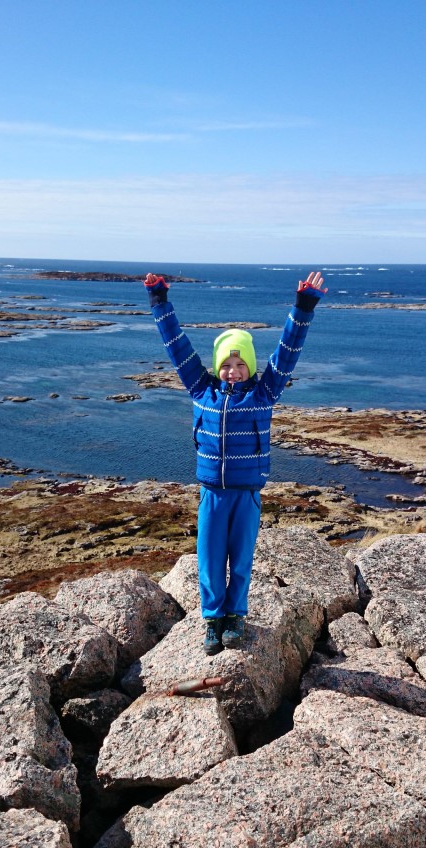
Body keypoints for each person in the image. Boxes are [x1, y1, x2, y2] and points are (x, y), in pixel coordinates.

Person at [144, 269, 326, 654]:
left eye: (241, 364)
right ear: (216, 366)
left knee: (241, 560)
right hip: (212, 493)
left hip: (247, 494)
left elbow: (287, 352)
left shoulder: (263, 393)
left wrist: (303, 307)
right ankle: (213, 619)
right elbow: (176, 345)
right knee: (210, 559)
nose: (233, 370)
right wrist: (159, 302)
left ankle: (236, 616)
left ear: (251, 366)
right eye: (227, 364)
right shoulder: (201, 390)